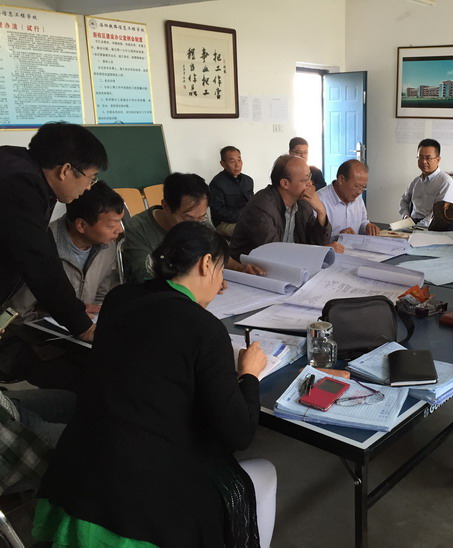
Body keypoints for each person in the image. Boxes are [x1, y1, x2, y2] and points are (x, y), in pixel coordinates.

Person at [33, 222, 277, 548]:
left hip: (76, 483)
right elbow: (240, 433)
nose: (221, 283)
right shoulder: (205, 330)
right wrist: (249, 374)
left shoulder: (119, 298)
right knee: (263, 473)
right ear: (206, 264)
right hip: (141, 513)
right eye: (221, 272)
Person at [0, 122, 106, 344]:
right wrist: (82, 326)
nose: (89, 187)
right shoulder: (20, 184)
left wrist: (75, 309)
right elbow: (38, 261)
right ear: (65, 170)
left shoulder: (20, 170)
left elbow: (42, 246)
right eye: (91, 178)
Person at [9, 182, 124, 323]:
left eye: (120, 222)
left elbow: (100, 297)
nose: (119, 230)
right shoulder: (40, 249)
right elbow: (17, 314)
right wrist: (68, 318)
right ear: (81, 225)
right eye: (111, 225)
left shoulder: (106, 246)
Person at [122, 172, 262, 283]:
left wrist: (239, 268)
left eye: (201, 217)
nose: (195, 225)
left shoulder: (200, 221)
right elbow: (144, 278)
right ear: (166, 206)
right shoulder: (138, 228)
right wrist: (198, 285)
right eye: (187, 218)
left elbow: (216, 251)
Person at [230, 154, 333, 257]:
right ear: (285, 184)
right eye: (305, 180)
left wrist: (321, 211)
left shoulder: (302, 203)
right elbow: (273, 254)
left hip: (289, 261)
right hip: (249, 265)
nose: (310, 183)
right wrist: (315, 252)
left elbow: (316, 242)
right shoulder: (261, 207)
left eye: (309, 177)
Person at [398, 138, 453, 227]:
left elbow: (439, 214)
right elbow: (404, 200)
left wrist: (417, 227)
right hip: (412, 224)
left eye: (428, 158)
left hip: (431, 227)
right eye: (420, 157)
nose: (423, 161)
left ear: (438, 159)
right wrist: (406, 217)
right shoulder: (416, 181)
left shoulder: (445, 182)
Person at [318, 159, 380, 239]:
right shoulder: (320, 200)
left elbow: (362, 221)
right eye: (356, 186)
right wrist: (338, 237)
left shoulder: (357, 196)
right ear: (341, 180)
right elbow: (312, 240)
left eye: (363, 187)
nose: (359, 192)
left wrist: (367, 227)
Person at [209, 146, 255, 237]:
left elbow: (252, 202)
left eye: (239, 160)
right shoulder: (217, 183)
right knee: (252, 230)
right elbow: (218, 211)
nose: (237, 165)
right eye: (232, 161)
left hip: (246, 218)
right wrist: (242, 216)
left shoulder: (248, 180)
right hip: (225, 223)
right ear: (223, 164)